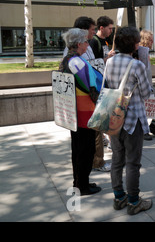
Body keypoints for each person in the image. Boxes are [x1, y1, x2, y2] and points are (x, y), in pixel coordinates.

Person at [104, 26, 154, 215]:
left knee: (117, 159)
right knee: (133, 162)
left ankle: (119, 197)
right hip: (133, 119)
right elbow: (145, 93)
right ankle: (134, 201)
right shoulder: (137, 65)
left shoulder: (109, 62)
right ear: (134, 44)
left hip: (114, 118)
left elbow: (106, 87)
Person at [59, 28, 103, 196]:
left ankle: (80, 182)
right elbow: (89, 87)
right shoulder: (76, 62)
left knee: (79, 149)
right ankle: (82, 186)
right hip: (83, 112)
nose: (87, 44)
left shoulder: (68, 59)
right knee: (85, 149)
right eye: (85, 41)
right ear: (78, 44)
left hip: (75, 111)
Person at [138, 30, 155, 140]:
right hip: (143, 85)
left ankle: (153, 124)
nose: (152, 41)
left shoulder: (146, 52)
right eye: (150, 39)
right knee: (145, 105)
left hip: (149, 84)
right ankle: (145, 129)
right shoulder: (140, 52)